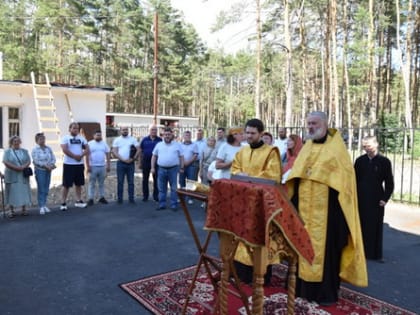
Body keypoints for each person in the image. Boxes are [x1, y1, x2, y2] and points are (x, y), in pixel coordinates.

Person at [285, 111, 367, 306]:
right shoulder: (306, 147)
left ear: (324, 123)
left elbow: (345, 183)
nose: (310, 127)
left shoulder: (337, 149)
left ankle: (324, 294)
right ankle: (301, 289)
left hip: (329, 214)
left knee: (326, 253)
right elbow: (296, 176)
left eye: (314, 123)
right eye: (308, 124)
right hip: (304, 210)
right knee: (302, 247)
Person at [230, 118, 282, 285]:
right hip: (243, 202)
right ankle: (242, 274)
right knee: (241, 237)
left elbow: (273, 175)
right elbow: (235, 169)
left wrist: (250, 178)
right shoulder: (242, 152)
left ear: (261, 133)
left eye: (253, 133)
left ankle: (261, 274)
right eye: (247, 132)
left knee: (260, 238)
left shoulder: (271, 151)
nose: (249, 136)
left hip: (262, 204)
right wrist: (240, 175)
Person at [355, 135, 394, 262]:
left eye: (369, 146)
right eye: (365, 146)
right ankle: (360, 253)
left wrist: (385, 198)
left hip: (377, 198)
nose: (367, 149)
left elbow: (389, 183)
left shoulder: (384, 162)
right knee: (360, 225)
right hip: (360, 197)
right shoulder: (360, 161)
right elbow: (354, 180)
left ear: (376, 144)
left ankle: (376, 254)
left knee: (375, 226)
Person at [151, 127, 184, 211]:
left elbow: (181, 157)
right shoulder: (159, 145)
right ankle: (162, 204)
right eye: (165, 134)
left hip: (173, 169)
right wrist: (152, 167)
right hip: (161, 169)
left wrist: (182, 167)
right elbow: (154, 156)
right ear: (163, 135)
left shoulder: (177, 145)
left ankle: (173, 204)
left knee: (173, 188)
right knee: (161, 188)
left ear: (172, 135)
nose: (167, 136)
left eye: (169, 134)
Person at [60, 122, 89, 210]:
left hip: (79, 165)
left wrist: (81, 155)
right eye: (74, 128)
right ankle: (63, 203)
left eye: (77, 128)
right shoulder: (65, 138)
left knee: (79, 184)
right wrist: (74, 156)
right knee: (66, 185)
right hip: (69, 164)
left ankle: (78, 201)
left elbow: (87, 149)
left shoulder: (82, 138)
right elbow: (64, 149)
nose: (76, 130)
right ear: (70, 129)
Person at [2, 136, 32, 217]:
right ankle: (11, 211)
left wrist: (23, 167)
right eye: (14, 141)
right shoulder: (7, 152)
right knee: (11, 192)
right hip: (12, 174)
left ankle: (24, 209)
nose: (16, 142)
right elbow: (5, 162)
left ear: (20, 142)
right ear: (11, 142)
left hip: (23, 175)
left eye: (18, 141)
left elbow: (29, 161)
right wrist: (16, 168)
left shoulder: (25, 151)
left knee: (24, 191)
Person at [112, 126, 139, 204]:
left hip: (131, 163)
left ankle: (131, 199)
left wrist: (133, 159)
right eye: (123, 130)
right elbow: (114, 151)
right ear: (120, 131)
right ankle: (120, 199)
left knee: (131, 182)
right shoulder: (117, 140)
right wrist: (123, 159)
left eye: (126, 130)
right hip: (120, 163)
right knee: (120, 182)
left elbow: (139, 149)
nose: (125, 131)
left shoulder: (132, 139)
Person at [31, 132, 56, 215]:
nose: (42, 140)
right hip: (40, 170)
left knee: (46, 187)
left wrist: (51, 165)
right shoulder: (35, 149)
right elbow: (36, 160)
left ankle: (45, 204)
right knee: (41, 187)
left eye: (43, 139)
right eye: (40, 139)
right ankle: (41, 206)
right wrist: (45, 166)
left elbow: (53, 157)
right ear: (36, 141)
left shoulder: (48, 148)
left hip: (48, 170)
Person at [87, 130, 111, 206]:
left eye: (100, 135)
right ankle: (90, 199)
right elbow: (86, 156)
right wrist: (87, 166)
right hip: (93, 167)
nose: (99, 136)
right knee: (92, 183)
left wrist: (108, 165)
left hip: (102, 166)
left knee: (101, 183)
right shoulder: (89, 144)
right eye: (97, 135)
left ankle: (102, 197)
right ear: (93, 135)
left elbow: (108, 154)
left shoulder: (104, 144)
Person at [139, 125, 162, 202]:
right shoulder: (144, 140)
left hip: (157, 163)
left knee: (156, 180)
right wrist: (140, 162)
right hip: (145, 162)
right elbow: (140, 151)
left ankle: (156, 196)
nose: (154, 131)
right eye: (152, 130)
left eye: (155, 130)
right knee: (145, 179)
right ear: (149, 130)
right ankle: (145, 196)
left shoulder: (160, 140)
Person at [179, 130, 199, 204]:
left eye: (189, 135)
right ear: (183, 136)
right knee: (182, 181)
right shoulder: (180, 145)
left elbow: (195, 155)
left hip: (191, 165)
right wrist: (183, 163)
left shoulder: (194, 145)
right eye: (186, 135)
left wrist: (188, 162)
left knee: (190, 181)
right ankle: (182, 197)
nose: (187, 137)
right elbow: (179, 155)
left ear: (191, 136)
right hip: (182, 165)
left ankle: (190, 198)